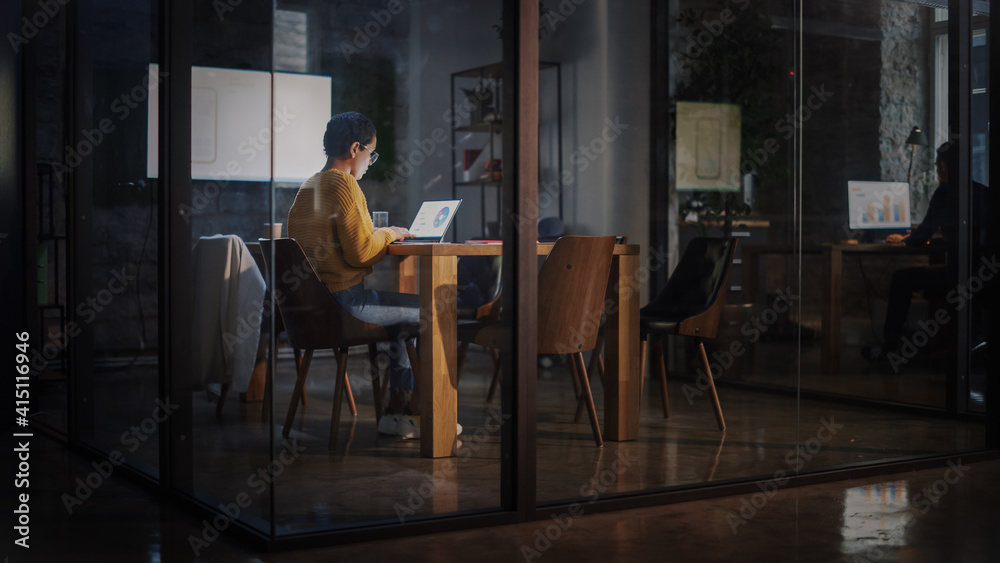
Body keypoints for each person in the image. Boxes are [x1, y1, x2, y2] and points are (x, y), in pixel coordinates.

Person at [286, 111, 429, 438]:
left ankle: (398, 412)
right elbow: (362, 251)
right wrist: (390, 233)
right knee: (431, 310)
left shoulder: (308, 186)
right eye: (371, 153)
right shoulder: (344, 183)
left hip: (312, 310)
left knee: (402, 321)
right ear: (355, 149)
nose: (370, 161)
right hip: (344, 305)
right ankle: (420, 411)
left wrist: (376, 233)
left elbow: (343, 242)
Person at [863, 141, 989, 366]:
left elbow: (921, 237)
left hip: (961, 278)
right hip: (984, 278)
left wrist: (904, 240)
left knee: (902, 278)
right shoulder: (984, 192)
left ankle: (890, 350)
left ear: (943, 167)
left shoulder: (945, 192)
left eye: (937, 165)